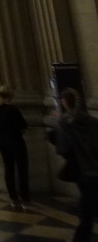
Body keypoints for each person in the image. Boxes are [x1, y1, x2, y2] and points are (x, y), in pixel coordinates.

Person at [49, 88, 98, 242]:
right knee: (90, 201)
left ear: (64, 102)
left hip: (81, 168)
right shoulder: (92, 120)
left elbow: (63, 148)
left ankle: (80, 238)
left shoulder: (65, 122)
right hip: (95, 166)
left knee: (88, 205)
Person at [0, 86, 30, 209]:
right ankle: (25, 197)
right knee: (22, 168)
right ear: (10, 96)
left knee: (8, 168)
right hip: (15, 139)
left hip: (2, 140)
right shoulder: (13, 109)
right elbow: (23, 126)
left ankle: (13, 197)